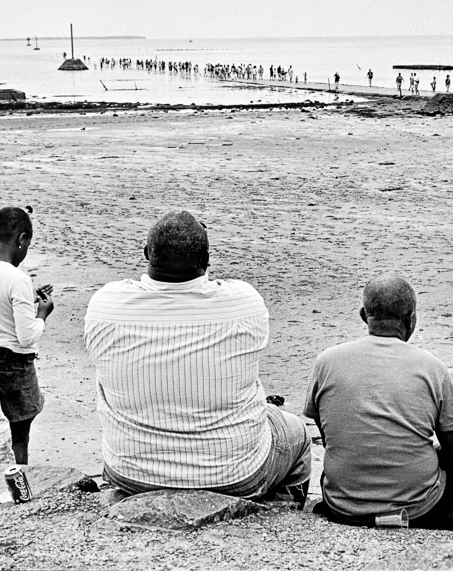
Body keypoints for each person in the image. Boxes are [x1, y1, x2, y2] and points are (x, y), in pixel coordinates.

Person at [85, 210, 312, 505]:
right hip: (234, 475)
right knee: (297, 433)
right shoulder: (244, 303)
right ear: (207, 261)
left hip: (130, 471)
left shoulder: (107, 305)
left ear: (146, 254)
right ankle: (284, 510)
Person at [304, 275, 453, 531]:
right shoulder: (433, 368)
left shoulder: (326, 362)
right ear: (412, 319)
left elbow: (331, 434)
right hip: (419, 505)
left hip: (342, 503)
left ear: (364, 315)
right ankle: (424, 515)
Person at [0, 206, 54, 465]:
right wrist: (42, 313)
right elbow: (27, 337)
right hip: (12, 363)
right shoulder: (18, 278)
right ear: (22, 239)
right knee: (20, 432)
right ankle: (19, 483)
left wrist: (27, 299)